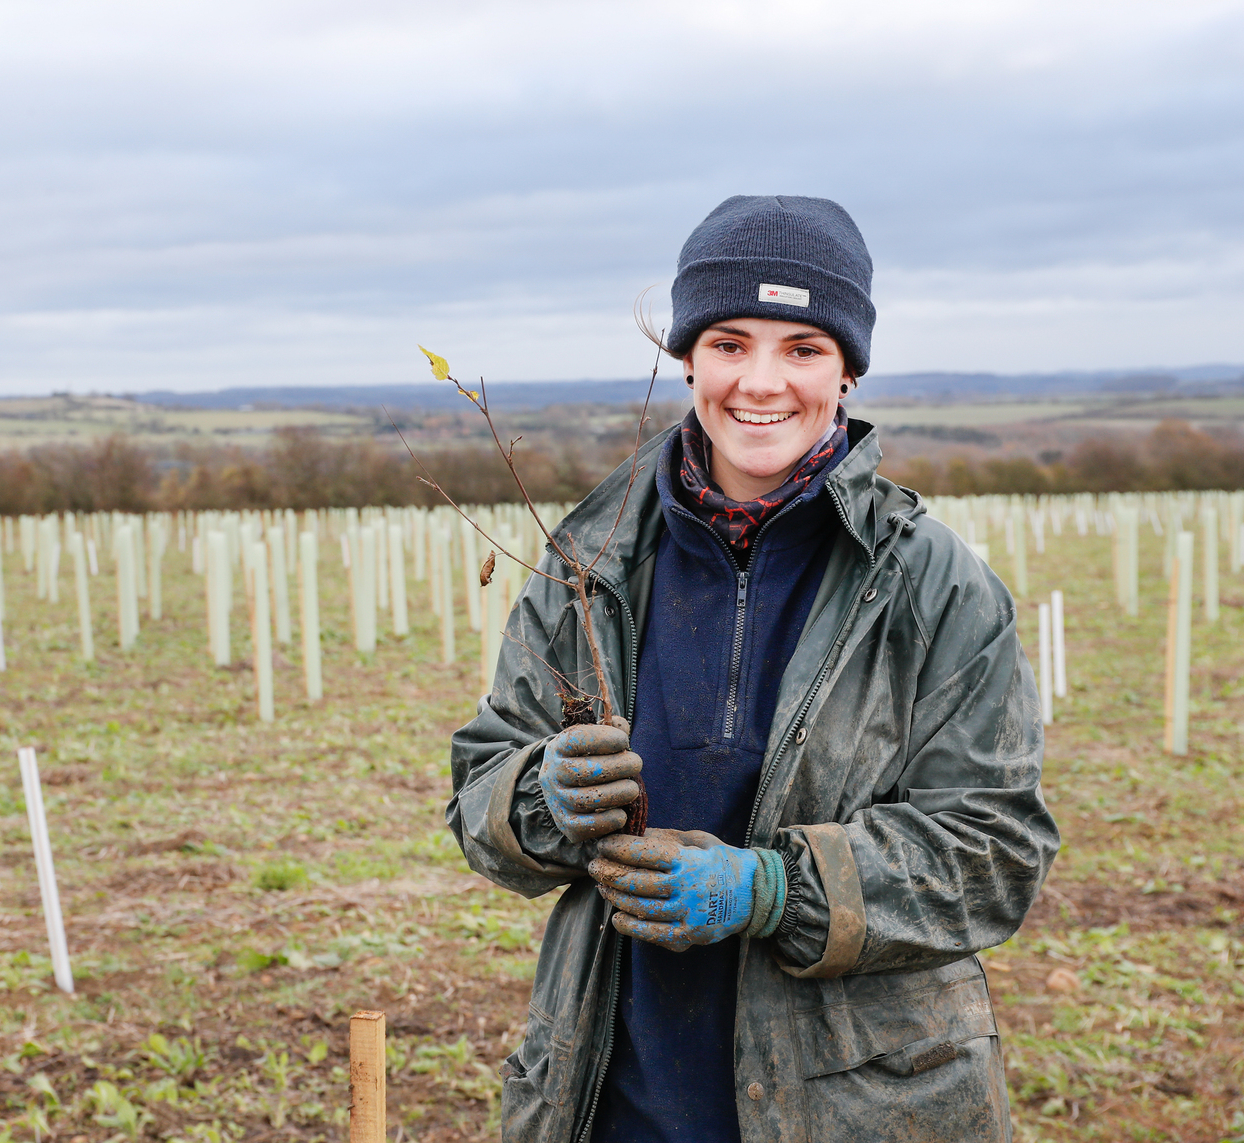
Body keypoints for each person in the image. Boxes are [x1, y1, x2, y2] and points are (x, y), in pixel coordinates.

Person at [446, 195, 1058, 1143]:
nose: (759, 382)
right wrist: (540, 796)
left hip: (866, 1107)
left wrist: (774, 889)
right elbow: (481, 792)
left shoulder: (934, 586)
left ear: (848, 370)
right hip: (615, 1103)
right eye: (729, 343)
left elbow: (996, 852)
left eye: (803, 349)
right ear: (688, 358)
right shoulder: (589, 565)